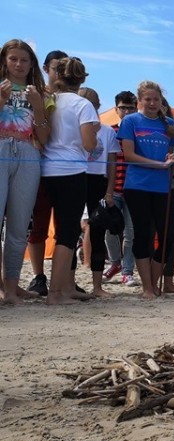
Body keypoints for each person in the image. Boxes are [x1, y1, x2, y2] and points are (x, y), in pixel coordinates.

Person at [40, 57, 100, 305]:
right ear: (82, 78)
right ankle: (56, 293)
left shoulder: (48, 100)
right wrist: (93, 137)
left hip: (45, 169)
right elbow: (88, 144)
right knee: (68, 231)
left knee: (50, 230)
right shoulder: (82, 104)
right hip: (71, 171)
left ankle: (62, 288)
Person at [118, 80, 174, 299]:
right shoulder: (130, 121)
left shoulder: (169, 124)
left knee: (167, 238)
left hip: (163, 187)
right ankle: (147, 287)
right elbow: (128, 155)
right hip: (137, 185)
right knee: (143, 235)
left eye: (156, 99)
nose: (153, 103)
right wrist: (159, 165)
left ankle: (153, 284)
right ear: (140, 101)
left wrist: (173, 157)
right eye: (148, 99)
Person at [0, 40, 51, 304]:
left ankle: (12, 287)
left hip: (29, 154)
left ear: (32, 64)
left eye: (24, 60)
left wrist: (38, 105)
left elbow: (43, 137)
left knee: (20, 225)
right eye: (13, 59)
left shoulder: (39, 93)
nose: (19, 65)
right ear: (5, 61)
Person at [24, 49, 68, 298]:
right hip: (39, 166)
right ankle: (38, 275)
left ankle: (63, 280)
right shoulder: (35, 92)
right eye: (56, 68)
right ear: (45, 69)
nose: (60, 72)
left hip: (65, 169)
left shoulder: (74, 97)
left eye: (65, 68)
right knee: (38, 226)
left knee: (66, 226)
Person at [76, 87, 119, 298]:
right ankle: (68, 282)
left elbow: (112, 163)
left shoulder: (107, 131)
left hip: (97, 181)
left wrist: (109, 191)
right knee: (68, 231)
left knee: (98, 233)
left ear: (97, 107)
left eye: (91, 106)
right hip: (74, 176)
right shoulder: (71, 126)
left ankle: (97, 286)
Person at [103, 91, 139, 287]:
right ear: (116, 109)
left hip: (134, 189)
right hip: (113, 188)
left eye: (130, 108)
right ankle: (115, 263)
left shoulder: (140, 133)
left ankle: (127, 271)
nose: (126, 111)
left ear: (136, 109)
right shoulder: (111, 131)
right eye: (123, 107)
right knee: (110, 230)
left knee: (130, 233)